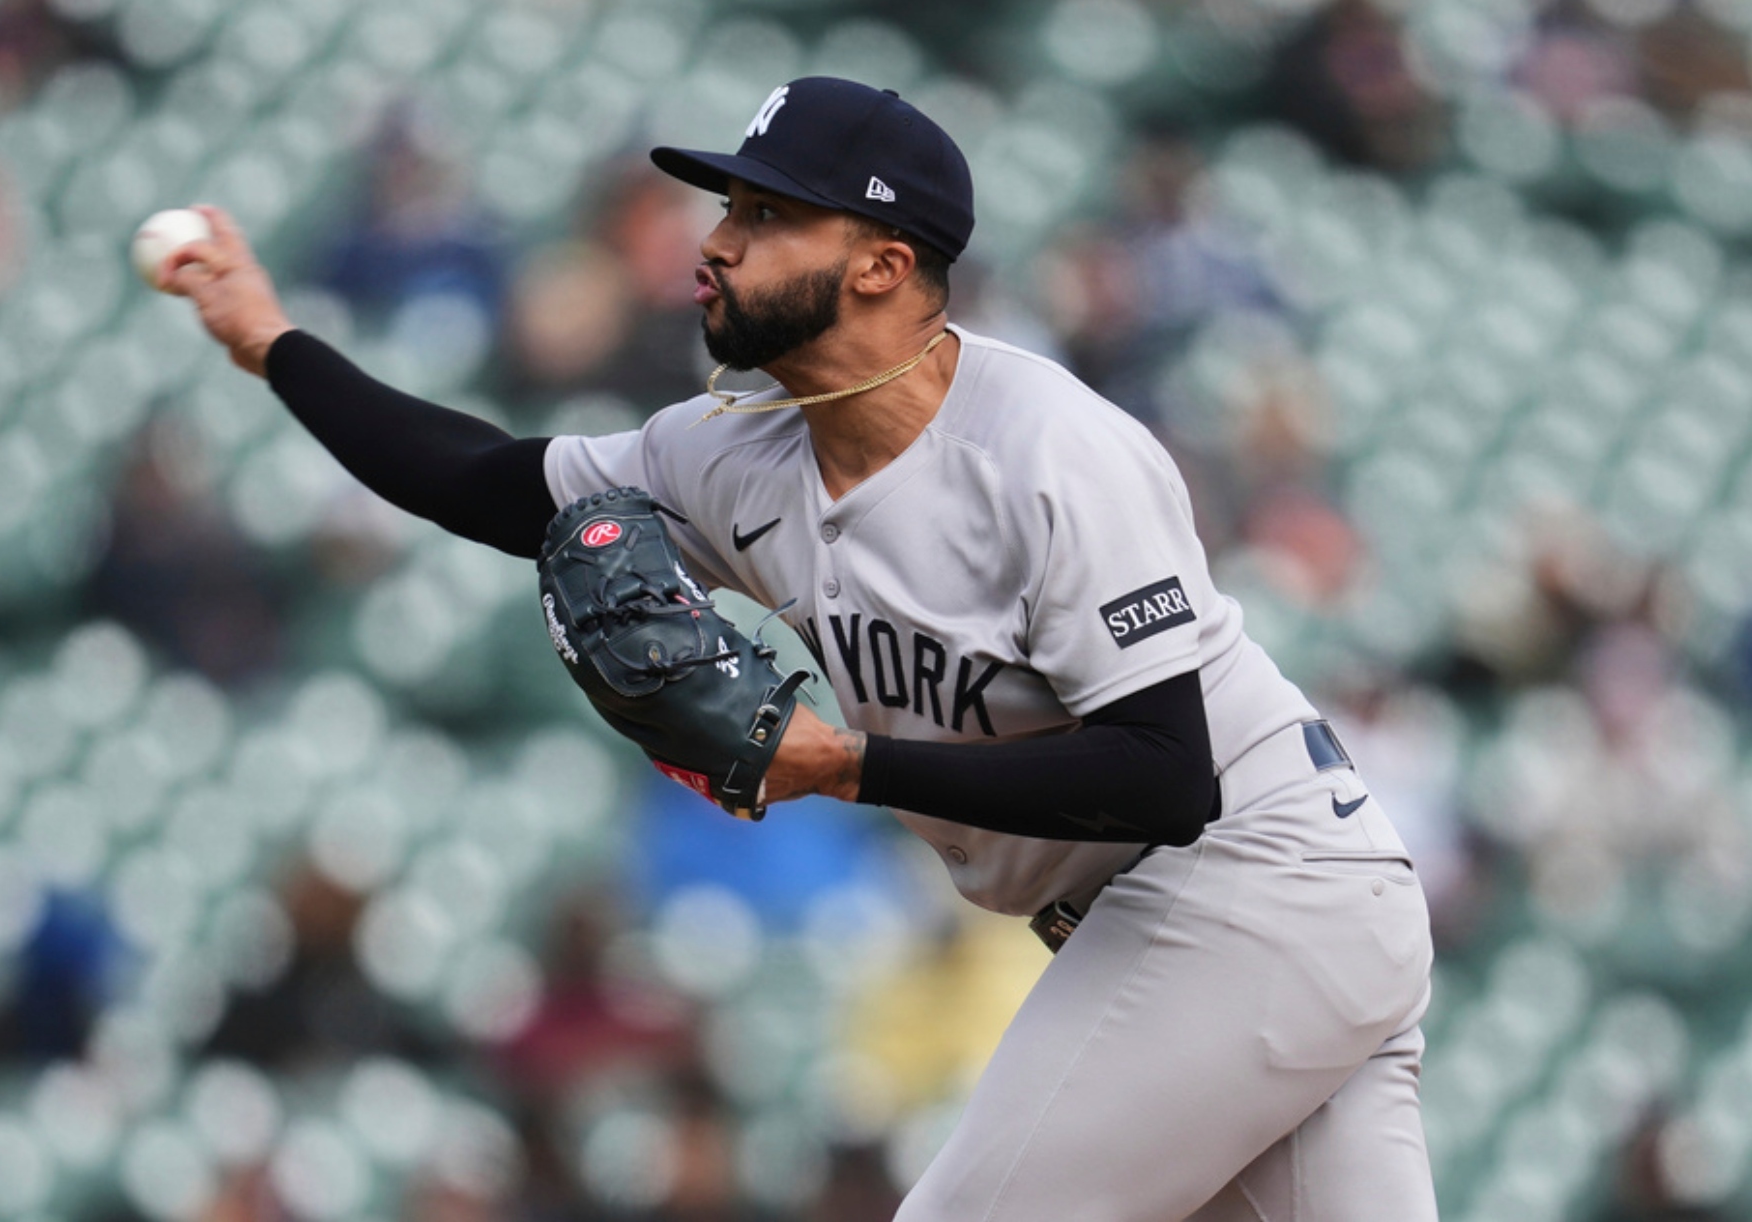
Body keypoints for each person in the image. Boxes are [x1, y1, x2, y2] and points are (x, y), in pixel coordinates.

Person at [163, 76, 1437, 1221]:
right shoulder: (736, 451)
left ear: (883, 264)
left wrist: (846, 767)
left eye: (766, 216)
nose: (715, 241)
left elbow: (1167, 774)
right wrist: (274, 345)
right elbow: (489, 485)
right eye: (728, 208)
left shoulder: (1049, 450)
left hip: (1250, 885)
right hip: (1227, 920)